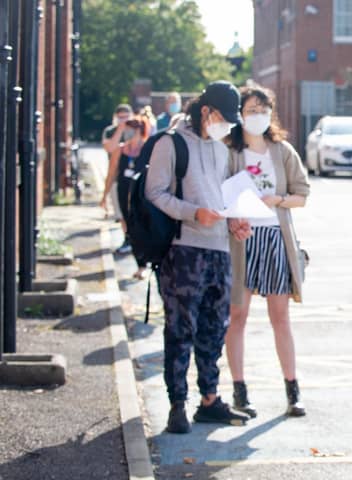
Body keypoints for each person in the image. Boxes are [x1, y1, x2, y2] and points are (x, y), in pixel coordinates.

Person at [145, 81, 253, 434]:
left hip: (219, 249)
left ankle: (209, 400)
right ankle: (177, 403)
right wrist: (193, 213)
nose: (226, 126)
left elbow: (220, 198)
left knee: (213, 329)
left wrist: (234, 220)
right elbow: (155, 192)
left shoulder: (221, 151)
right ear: (205, 111)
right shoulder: (170, 143)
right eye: (222, 117)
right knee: (180, 329)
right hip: (183, 249)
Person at [225, 85, 310, 418]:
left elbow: (302, 194)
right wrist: (232, 220)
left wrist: (278, 200)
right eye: (250, 109)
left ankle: (292, 390)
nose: (256, 115)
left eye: (262, 109)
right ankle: (239, 391)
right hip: (241, 241)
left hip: (275, 238)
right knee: (238, 316)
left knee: (280, 318)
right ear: (240, 113)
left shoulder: (282, 150)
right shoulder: (230, 150)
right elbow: (219, 194)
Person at [100, 115, 151, 279]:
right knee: (129, 229)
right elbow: (111, 173)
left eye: (131, 130)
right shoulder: (120, 150)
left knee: (140, 229)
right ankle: (140, 263)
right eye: (126, 130)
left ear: (139, 131)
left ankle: (144, 264)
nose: (128, 133)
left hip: (141, 196)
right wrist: (104, 196)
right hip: (123, 193)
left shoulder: (147, 149)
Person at [101, 104, 134, 252]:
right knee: (121, 212)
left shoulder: (136, 130)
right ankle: (127, 238)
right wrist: (120, 129)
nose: (123, 120)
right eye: (120, 117)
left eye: (126, 116)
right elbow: (110, 148)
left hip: (133, 177)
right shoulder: (110, 131)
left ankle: (133, 239)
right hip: (116, 176)